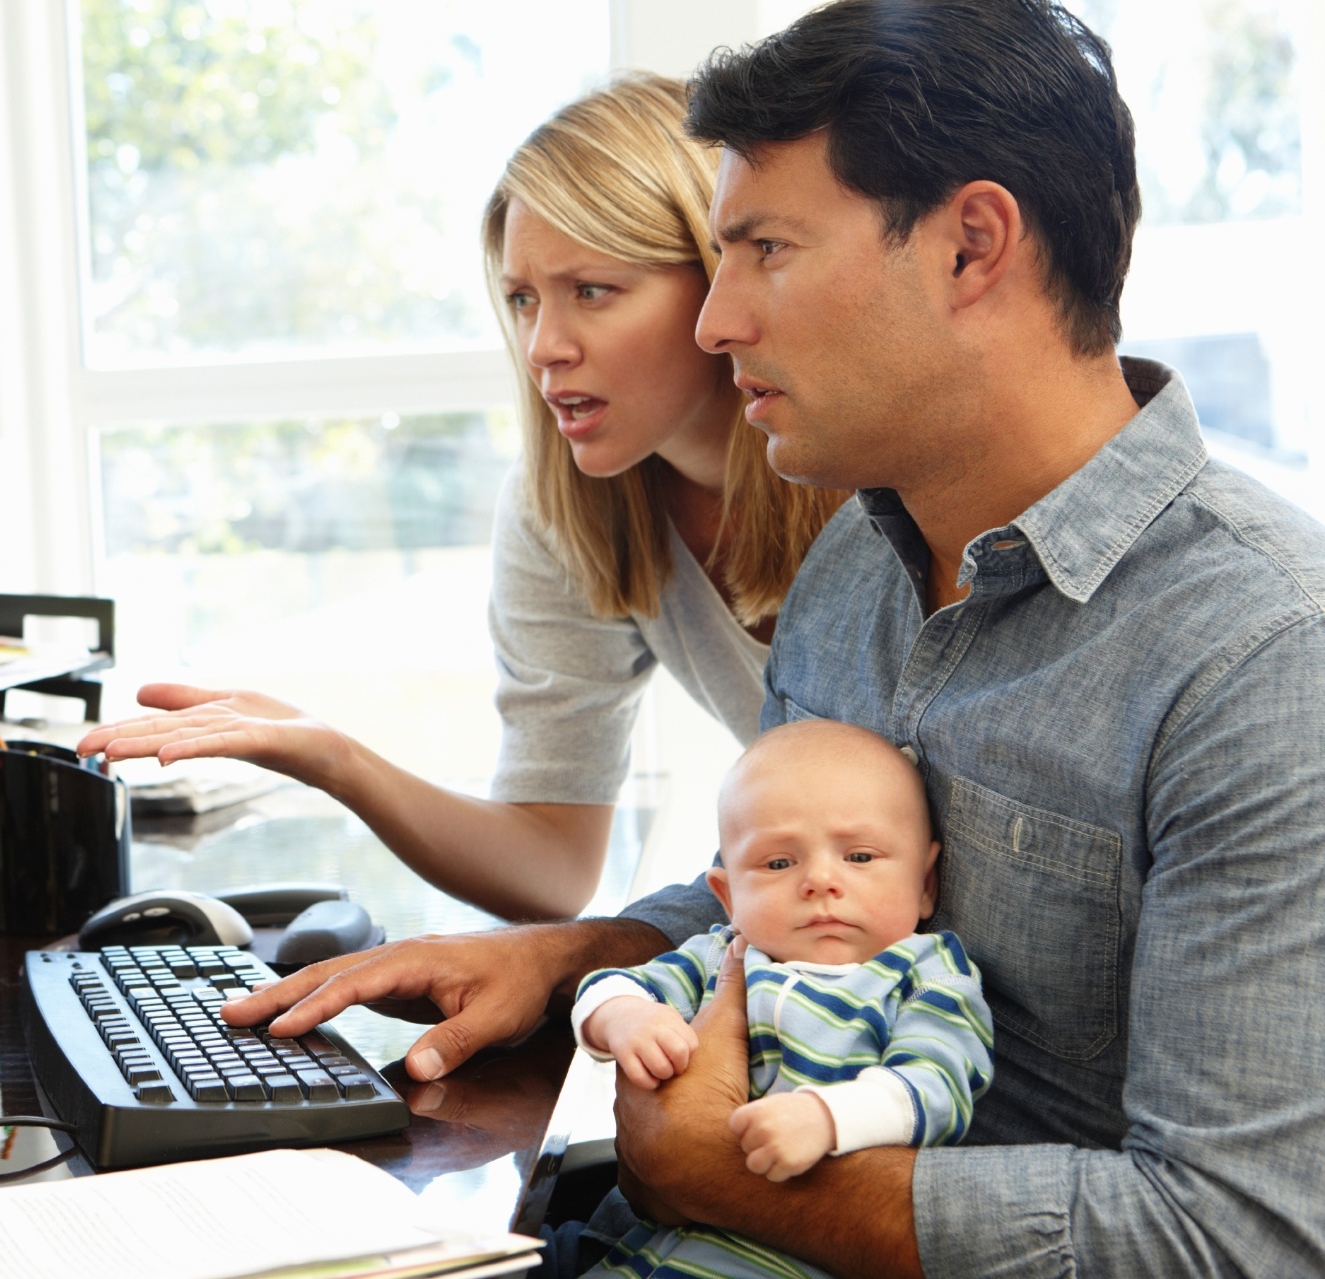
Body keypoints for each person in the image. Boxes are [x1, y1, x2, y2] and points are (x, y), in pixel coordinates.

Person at [219, 1, 1325, 1275]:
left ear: (973, 247)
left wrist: (733, 1185)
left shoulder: (1262, 660)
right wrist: (571, 957)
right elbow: (799, 892)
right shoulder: (861, 553)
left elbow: (1241, 1238)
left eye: (764, 252)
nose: (714, 319)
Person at [79, 74, 843, 922]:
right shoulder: (566, 511)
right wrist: (332, 756)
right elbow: (549, 863)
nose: (543, 346)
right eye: (522, 299)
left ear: (715, 280)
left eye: (592, 290)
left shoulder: (867, 472)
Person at [573, 719, 991, 1279]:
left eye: (860, 857)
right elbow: (611, 985)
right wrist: (623, 1017)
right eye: (778, 863)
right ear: (727, 894)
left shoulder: (926, 974)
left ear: (925, 883)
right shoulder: (726, 952)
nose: (820, 880)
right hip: (644, 1245)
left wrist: (828, 1117)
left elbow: (938, 1086)